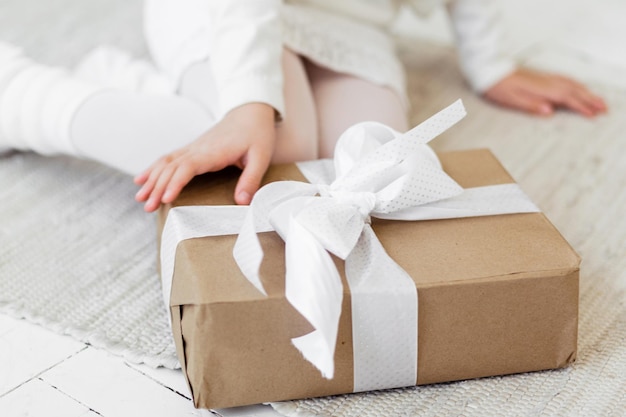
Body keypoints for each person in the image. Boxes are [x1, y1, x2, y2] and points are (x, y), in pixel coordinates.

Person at [0, 0, 607, 213]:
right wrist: (248, 102)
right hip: (230, 12)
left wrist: (490, 62)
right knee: (268, 157)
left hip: (351, 26)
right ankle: (25, 94)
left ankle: (145, 90)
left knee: (370, 168)